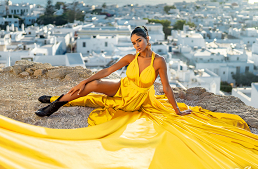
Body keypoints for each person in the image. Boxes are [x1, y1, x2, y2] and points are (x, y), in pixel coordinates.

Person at [35, 25, 192, 120]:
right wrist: (83, 81)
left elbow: (167, 88)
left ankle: (54, 100)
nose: (136, 45)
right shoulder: (130, 58)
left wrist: (177, 110)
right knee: (93, 85)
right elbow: (108, 71)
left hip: (136, 99)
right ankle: (54, 106)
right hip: (122, 87)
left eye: (139, 40)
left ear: (147, 39)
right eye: (133, 42)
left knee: (95, 99)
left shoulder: (159, 61)